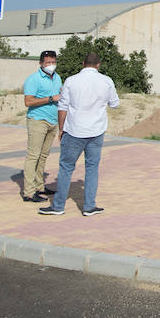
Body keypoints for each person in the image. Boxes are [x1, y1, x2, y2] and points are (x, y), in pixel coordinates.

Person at [39, 51, 120, 218]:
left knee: (66, 168)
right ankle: (89, 206)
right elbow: (114, 104)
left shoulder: (71, 81)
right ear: (98, 65)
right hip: (96, 131)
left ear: (83, 63)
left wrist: (61, 129)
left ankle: (58, 206)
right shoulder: (106, 81)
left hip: (74, 130)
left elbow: (63, 107)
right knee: (92, 168)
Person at [19, 50, 62, 202]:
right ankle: (29, 192)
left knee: (43, 156)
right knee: (33, 155)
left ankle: (39, 186)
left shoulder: (57, 78)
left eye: (53, 62)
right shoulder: (34, 79)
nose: (51, 65)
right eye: (48, 62)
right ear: (41, 64)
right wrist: (50, 99)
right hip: (38, 120)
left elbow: (60, 96)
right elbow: (28, 102)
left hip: (53, 121)